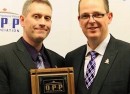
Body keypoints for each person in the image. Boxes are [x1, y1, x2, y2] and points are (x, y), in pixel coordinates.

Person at [0, 0, 65, 94]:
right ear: (22, 20)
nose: (43, 22)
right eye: (36, 17)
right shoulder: (3, 56)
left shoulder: (59, 61)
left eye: (47, 18)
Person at [65, 0, 130, 94]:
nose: (91, 21)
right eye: (85, 16)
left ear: (109, 17)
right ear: (79, 20)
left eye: (97, 14)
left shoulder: (127, 54)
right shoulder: (71, 58)